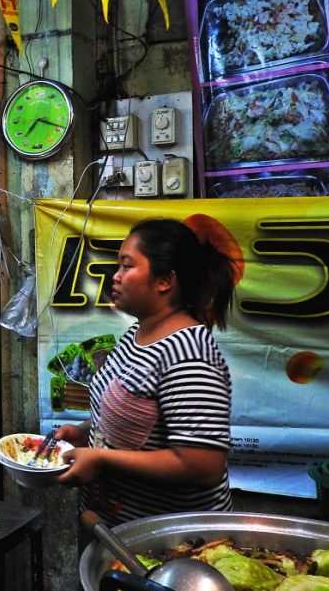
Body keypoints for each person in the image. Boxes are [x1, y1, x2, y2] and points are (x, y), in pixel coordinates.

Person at [54, 218, 238, 526]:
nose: (116, 277)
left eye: (127, 266)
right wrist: (86, 433)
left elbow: (202, 465)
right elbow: (134, 412)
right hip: (119, 530)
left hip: (173, 543)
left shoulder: (188, 353)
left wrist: (101, 458)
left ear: (165, 280)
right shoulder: (137, 335)